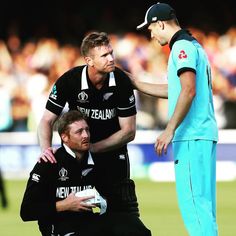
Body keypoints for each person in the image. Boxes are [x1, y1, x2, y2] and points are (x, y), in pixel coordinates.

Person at [37, 32, 151, 235]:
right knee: (83, 222)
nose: (111, 59)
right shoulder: (69, 81)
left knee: (130, 225)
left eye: (111, 53)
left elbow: (128, 132)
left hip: (114, 160)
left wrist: (93, 148)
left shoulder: (122, 82)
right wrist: (46, 151)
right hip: (80, 164)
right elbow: (46, 120)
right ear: (88, 60)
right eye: (104, 55)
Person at [135, 2, 218, 236]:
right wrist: (137, 83)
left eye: (150, 28)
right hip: (203, 135)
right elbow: (178, 89)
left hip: (191, 136)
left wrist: (169, 129)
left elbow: (188, 90)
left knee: (196, 212)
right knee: (204, 211)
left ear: (160, 23)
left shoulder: (181, 47)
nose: (150, 34)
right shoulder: (194, 46)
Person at [20, 110, 108, 235]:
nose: (86, 135)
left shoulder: (97, 161)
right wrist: (64, 205)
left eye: (87, 130)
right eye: (79, 132)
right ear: (64, 137)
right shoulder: (48, 163)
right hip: (58, 230)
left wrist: (101, 201)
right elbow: (26, 211)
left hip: (89, 226)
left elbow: (107, 195)